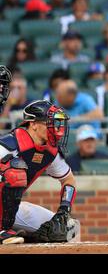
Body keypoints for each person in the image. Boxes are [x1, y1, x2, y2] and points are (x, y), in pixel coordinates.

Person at [0, 100, 79, 244]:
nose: (55, 127)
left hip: (9, 212)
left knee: (68, 229)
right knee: (13, 173)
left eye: (55, 123)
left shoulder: (50, 150)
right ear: (33, 124)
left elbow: (69, 180)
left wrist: (64, 209)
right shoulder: (8, 145)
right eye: (49, 122)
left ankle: (27, 238)